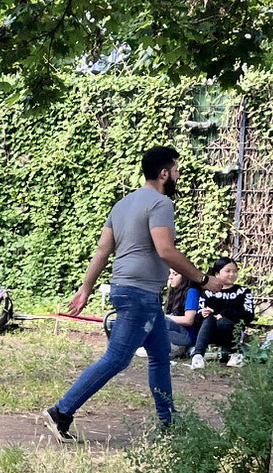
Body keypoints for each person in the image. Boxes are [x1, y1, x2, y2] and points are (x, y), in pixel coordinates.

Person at [45, 145, 208, 439]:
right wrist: (202, 278)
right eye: (176, 170)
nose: (179, 176)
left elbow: (102, 251)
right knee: (117, 359)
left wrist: (85, 289)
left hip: (129, 291)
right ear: (163, 173)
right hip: (139, 295)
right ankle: (61, 412)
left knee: (159, 355)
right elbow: (166, 251)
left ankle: (169, 423)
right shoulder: (161, 204)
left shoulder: (122, 204)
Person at [181, 257, 253, 368]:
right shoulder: (208, 293)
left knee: (223, 321)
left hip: (232, 331)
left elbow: (249, 316)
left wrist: (225, 313)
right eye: (228, 271)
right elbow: (196, 319)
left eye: (235, 271)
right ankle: (198, 356)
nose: (232, 274)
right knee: (209, 319)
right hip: (210, 332)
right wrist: (202, 314)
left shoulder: (244, 292)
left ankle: (235, 353)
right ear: (217, 274)